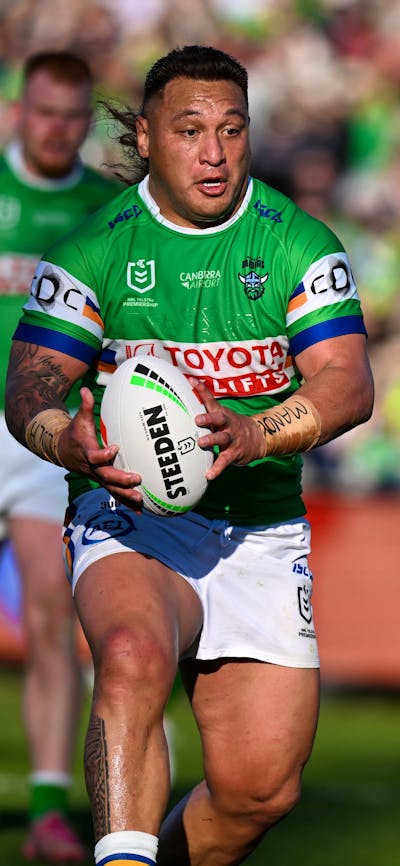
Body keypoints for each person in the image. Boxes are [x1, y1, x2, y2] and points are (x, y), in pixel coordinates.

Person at [5, 44, 374, 866]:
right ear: (145, 134)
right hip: (131, 516)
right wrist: (63, 436)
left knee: (258, 791)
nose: (214, 153)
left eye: (232, 130)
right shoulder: (93, 248)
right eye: (190, 129)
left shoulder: (297, 243)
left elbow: (348, 381)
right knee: (130, 657)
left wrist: (257, 433)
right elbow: (30, 385)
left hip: (261, 529)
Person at [0, 50, 120, 863]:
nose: (57, 129)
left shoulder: (106, 209)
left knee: (50, 612)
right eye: (44, 112)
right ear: (19, 106)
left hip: (42, 431)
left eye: (74, 117)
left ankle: (48, 810)